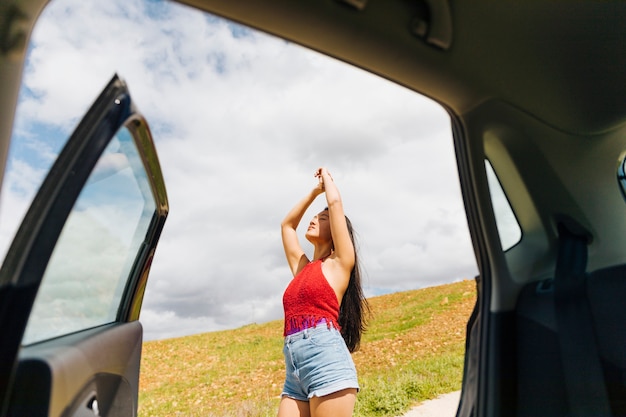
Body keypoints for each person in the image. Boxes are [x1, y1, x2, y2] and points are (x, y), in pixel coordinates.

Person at [279, 167, 369, 417]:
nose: (313, 219)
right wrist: (313, 193)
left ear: (336, 232)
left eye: (323, 218)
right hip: (295, 372)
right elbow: (287, 226)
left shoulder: (340, 263)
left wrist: (327, 181)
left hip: (327, 365)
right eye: (315, 216)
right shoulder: (303, 269)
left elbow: (336, 201)